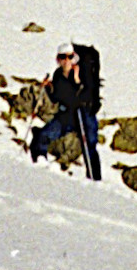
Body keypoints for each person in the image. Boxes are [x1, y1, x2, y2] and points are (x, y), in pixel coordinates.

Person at [30, 42, 101, 180]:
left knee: (90, 144)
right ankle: (40, 164)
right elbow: (57, 97)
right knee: (43, 135)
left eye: (69, 57)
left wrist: (77, 82)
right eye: (62, 57)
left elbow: (86, 95)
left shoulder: (82, 73)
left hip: (84, 113)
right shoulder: (57, 75)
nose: (66, 61)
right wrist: (49, 88)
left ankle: (94, 177)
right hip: (67, 115)